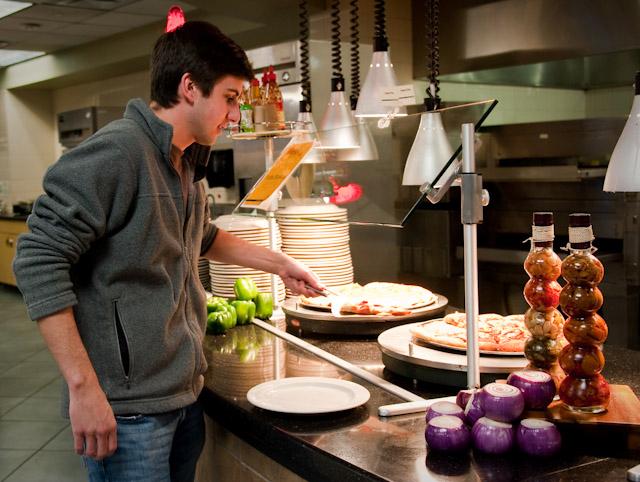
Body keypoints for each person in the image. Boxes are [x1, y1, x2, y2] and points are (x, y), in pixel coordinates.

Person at [13, 21, 323, 482]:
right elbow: (37, 259)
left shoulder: (182, 161)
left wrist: (280, 264)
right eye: (231, 98)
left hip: (180, 398)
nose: (235, 115)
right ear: (190, 88)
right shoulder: (119, 153)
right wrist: (83, 389)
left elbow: (201, 237)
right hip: (129, 411)